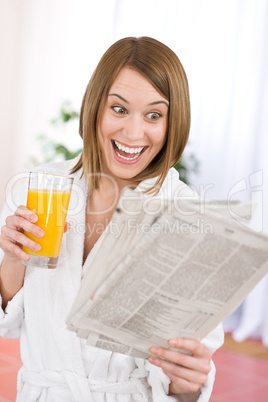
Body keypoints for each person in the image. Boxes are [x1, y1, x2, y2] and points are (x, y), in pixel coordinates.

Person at [0, 36, 224, 401]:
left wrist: (188, 383)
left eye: (154, 115)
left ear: (172, 122)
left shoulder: (187, 216)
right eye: (119, 109)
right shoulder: (40, 188)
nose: (134, 133)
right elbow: (8, 323)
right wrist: (12, 258)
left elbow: (186, 375)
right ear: (95, 108)